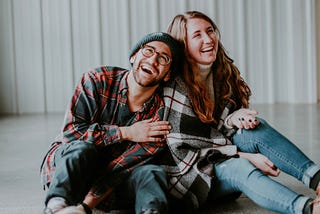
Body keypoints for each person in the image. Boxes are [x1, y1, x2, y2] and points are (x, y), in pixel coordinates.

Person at [160, 10, 320, 214]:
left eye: (210, 31)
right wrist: (245, 157)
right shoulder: (175, 87)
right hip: (190, 177)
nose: (209, 39)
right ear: (183, 44)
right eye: (197, 35)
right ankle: (309, 209)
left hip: (217, 162)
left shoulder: (220, 71)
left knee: (254, 128)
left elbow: (211, 129)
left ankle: (317, 179)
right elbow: (188, 149)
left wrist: (232, 119)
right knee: (240, 167)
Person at [40, 32, 183, 214]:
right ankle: (55, 207)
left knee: (152, 172)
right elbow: (71, 133)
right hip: (69, 173)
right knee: (83, 148)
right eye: (148, 51)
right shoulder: (97, 79)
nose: (153, 60)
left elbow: (122, 168)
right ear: (133, 57)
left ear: (167, 75)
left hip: (110, 187)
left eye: (163, 58)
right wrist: (126, 132)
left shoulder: (159, 117)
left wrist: (85, 207)